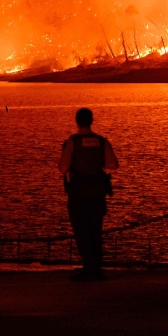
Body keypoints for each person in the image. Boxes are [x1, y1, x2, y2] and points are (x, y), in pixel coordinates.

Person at [58, 107, 119, 281]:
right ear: (92, 120)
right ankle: (96, 268)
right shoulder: (101, 141)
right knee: (95, 229)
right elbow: (113, 165)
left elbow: (63, 168)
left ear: (77, 121)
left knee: (82, 230)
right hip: (97, 192)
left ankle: (88, 268)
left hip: (78, 193)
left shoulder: (73, 142)